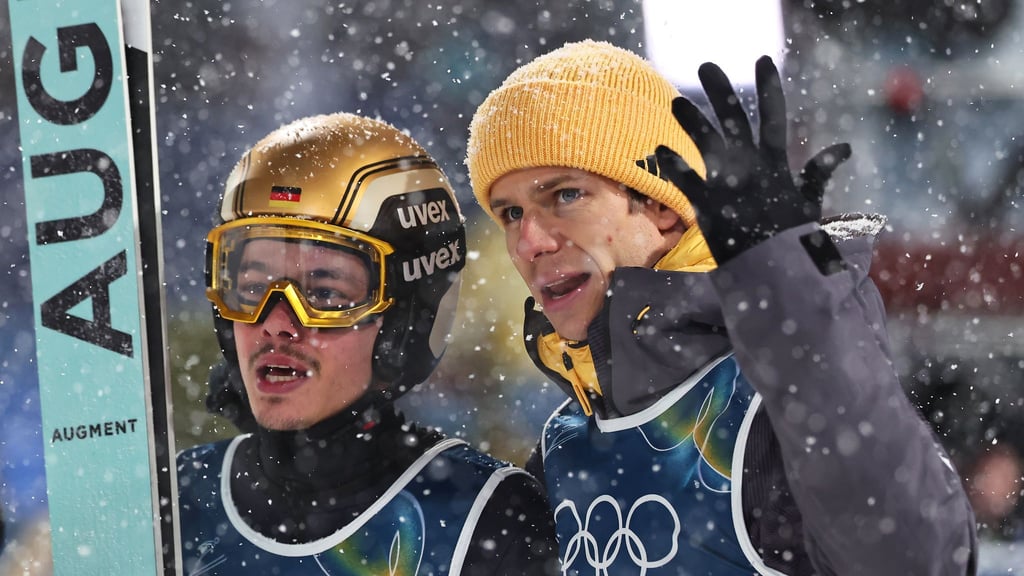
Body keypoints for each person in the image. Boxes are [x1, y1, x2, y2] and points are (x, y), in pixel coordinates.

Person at [465, 39, 977, 575]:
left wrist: (794, 300)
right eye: (510, 213)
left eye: (565, 195)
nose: (529, 242)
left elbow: (921, 561)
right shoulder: (565, 445)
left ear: (662, 206)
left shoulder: (770, 402)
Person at [176, 112, 559, 575]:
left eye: (325, 294)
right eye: (254, 288)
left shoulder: (482, 515)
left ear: (402, 323)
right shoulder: (177, 497)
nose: (276, 323)